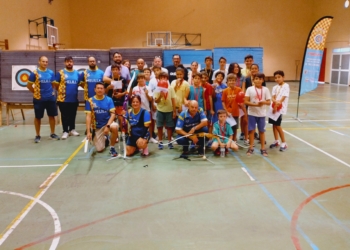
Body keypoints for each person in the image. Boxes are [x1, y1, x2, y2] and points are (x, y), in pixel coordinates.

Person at [27, 56, 59, 143]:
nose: (45, 63)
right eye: (43, 61)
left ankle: (52, 133)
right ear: (39, 62)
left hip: (50, 98)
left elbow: (52, 84)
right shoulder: (35, 73)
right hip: (39, 99)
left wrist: (51, 92)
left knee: (52, 116)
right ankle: (37, 135)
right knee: (38, 117)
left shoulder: (51, 72)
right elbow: (29, 85)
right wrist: (35, 93)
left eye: (46, 62)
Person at [85, 82, 119, 157]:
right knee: (99, 149)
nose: (100, 90)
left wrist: (108, 126)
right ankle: (106, 138)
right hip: (97, 126)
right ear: (95, 89)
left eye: (101, 88)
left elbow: (113, 114)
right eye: (98, 88)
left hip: (107, 123)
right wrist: (88, 131)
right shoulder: (90, 101)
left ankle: (112, 147)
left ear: (104, 90)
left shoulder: (109, 100)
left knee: (115, 126)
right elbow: (88, 117)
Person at [54, 56, 84, 139]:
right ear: (65, 63)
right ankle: (65, 131)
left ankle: (72, 129)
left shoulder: (77, 73)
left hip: (74, 99)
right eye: (67, 62)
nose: (69, 63)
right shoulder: (60, 73)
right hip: (63, 99)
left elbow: (80, 84)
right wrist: (62, 92)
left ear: (73, 62)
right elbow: (56, 85)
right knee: (64, 115)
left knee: (73, 115)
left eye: (71, 61)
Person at [244, 73, 271, 156]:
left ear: (263, 80)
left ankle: (263, 148)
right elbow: (246, 101)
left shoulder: (266, 89)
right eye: (256, 78)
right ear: (253, 80)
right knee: (251, 131)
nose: (258, 80)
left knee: (261, 131)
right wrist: (256, 105)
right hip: (252, 113)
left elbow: (269, 102)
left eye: (260, 79)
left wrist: (264, 102)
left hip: (262, 114)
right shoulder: (249, 89)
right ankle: (251, 147)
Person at [153, 72, 176, 149]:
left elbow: (173, 99)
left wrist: (174, 111)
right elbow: (156, 101)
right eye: (161, 78)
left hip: (169, 110)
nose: (163, 79)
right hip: (160, 110)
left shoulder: (171, 88)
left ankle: (170, 141)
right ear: (159, 79)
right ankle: (160, 141)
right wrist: (160, 96)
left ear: (167, 79)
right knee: (159, 127)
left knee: (169, 127)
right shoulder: (157, 89)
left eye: (165, 78)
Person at [268, 70, 290, 152]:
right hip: (273, 107)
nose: (277, 79)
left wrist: (277, 105)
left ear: (283, 77)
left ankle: (284, 143)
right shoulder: (274, 87)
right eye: (275, 78)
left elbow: (283, 97)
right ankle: (276, 141)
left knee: (277, 125)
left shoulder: (286, 86)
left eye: (279, 77)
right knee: (273, 124)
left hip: (280, 108)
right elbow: (273, 97)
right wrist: (274, 104)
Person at [222, 73, 246, 142]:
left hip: (235, 112)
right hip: (228, 113)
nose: (231, 82)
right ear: (227, 82)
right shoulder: (225, 91)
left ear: (236, 81)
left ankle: (234, 140)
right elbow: (223, 102)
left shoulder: (238, 89)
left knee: (235, 128)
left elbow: (242, 100)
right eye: (230, 80)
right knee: (227, 128)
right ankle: (227, 140)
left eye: (233, 80)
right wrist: (226, 111)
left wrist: (241, 105)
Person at [105, 64, 128, 136]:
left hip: (121, 102)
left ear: (119, 70)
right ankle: (115, 136)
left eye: (116, 69)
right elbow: (104, 92)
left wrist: (121, 94)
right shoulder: (108, 80)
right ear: (111, 70)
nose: (115, 71)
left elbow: (127, 91)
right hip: (111, 103)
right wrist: (108, 88)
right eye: (113, 70)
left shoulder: (123, 79)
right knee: (112, 120)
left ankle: (124, 134)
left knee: (122, 120)